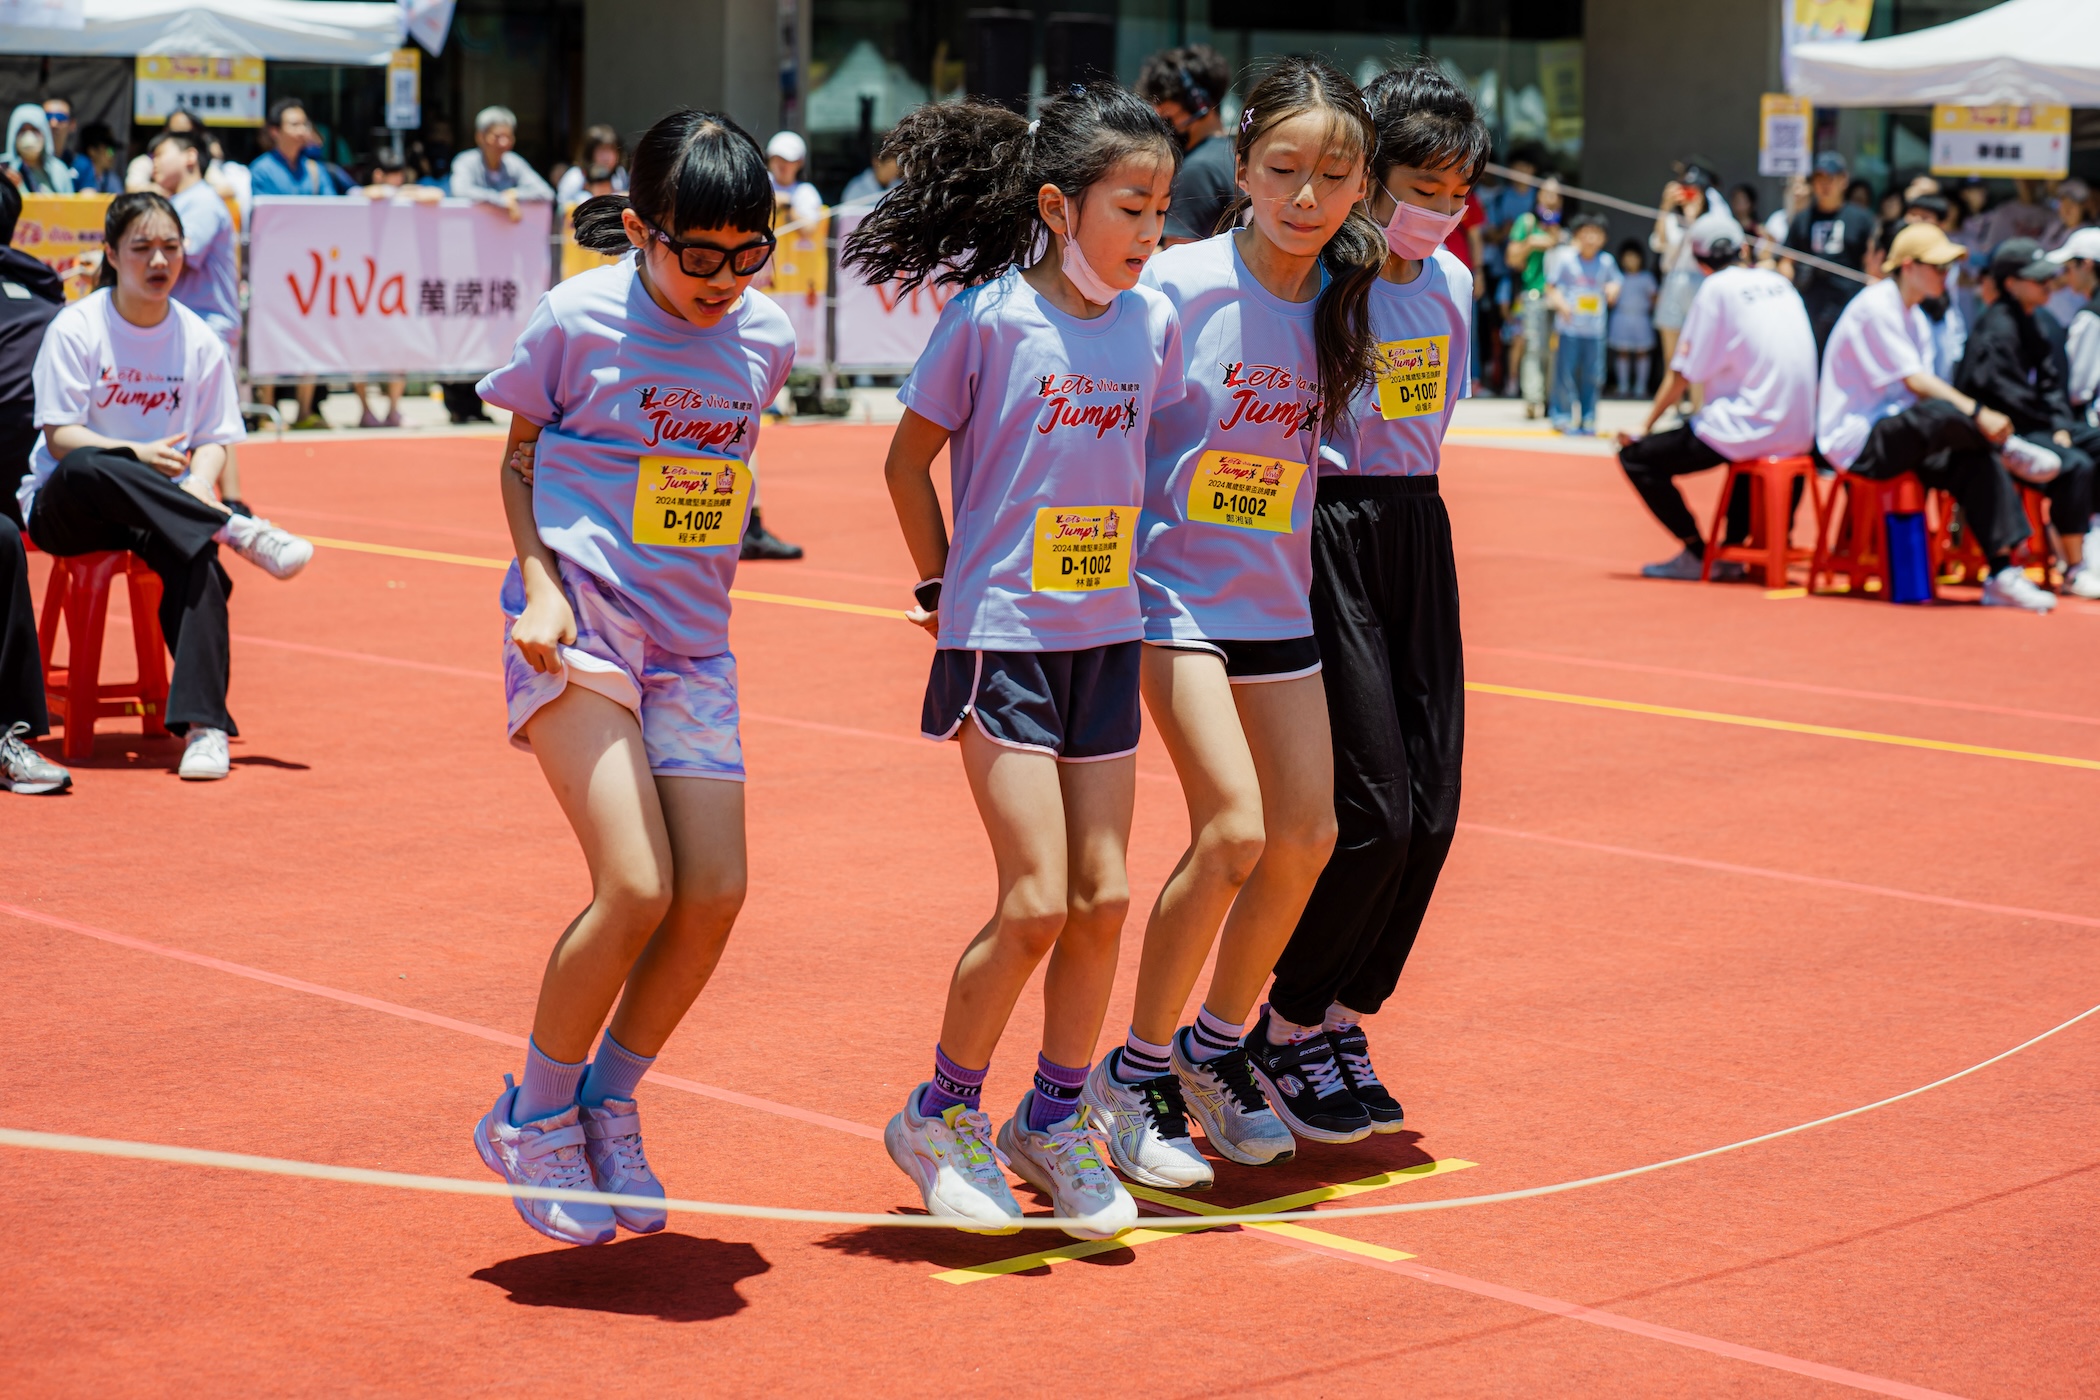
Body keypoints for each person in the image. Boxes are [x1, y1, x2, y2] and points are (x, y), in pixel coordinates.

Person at [840, 84, 1185, 1238]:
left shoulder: (1153, 324)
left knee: (1107, 897)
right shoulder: (990, 320)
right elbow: (905, 464)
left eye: (1162, 209)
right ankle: (939, 1110)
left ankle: (1057, 1113)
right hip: (1004, 639)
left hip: (1108, 635)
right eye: (1131, 206)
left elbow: (1164, 459)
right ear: (1058, 203)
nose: (1149, 231)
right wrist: (943, 590)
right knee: (1037, 899)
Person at [469, 110, 794, 1247]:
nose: (721, 277)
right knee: (637, 885)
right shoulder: (577, 316)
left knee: (714, 894)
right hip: (580, 628)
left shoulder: (770, 337)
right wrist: (539, 582)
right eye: (695, 252)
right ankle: (534, 1112)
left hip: (694, 645)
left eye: (746, 250)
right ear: (645, 231)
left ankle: (609, 1101)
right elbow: (516, 458)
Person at [1088, 56, 1373, 1183]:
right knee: (1234, 831)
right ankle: (1135, 1071)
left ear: (1361, 187)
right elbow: (1102, 420)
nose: (1308, 195)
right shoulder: (1177, 283)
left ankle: (1216, 1048)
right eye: (1285, 170)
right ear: (1243, 167)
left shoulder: (1348, 297)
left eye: (1333, 175)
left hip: (1274, 596)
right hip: (1170, 593)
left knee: (1309, 835)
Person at [1250, 58, 1485, 1149]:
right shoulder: (1322, 281)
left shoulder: (1457, 286)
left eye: (1456, 192)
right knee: (1373, 808)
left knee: (1432, 814)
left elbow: (1442, 408)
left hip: (1418, 527)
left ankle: (1345, 1016)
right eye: (1418, 187)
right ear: (1370, 177)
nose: (1436, 211)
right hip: (1328, 531)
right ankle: (1283, 1024)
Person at [22, 193, 314, 780]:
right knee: (88, 464)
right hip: (68, 507)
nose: (159, 261)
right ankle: (233, 526)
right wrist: (132, 452)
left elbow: (212, 438)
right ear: (110, 253)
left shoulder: (199, 339)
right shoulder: (77, 326)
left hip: (160, 510)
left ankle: (206, 730)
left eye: (171, 248)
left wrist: (203, 481)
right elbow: (60, 438)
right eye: (142, 248)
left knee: (198, 560)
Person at [1816, 222, 2055, 613]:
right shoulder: (1877, 306)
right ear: (1908, 266)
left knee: (1973, 461)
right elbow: (1917, 383)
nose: (1947, 276)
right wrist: (1978, 414)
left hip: (1905, 431)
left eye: (1949, 268)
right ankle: (2005, 443)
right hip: (1858, 441)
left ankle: (2002, 572)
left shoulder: (1918, 317)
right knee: (1945, 413)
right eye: (1939, 267)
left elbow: (1922, 393)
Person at [1616, 211, 1817, 581]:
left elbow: (1683, 372)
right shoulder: (1779, 283)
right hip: (1802, 431)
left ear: (1700, 261)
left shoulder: (1716, 288)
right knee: (1738, 434)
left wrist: (1644, 426)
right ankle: (1735, 546)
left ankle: (1698, 552)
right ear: (1742, 248)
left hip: (1754, 428)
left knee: (1637, 459)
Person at [1954, 237, 2100, 598]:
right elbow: (2006, 396)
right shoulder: (1996, 328)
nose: (2048, 285)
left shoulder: (2039, 320)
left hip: (2040, 423)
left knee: (2094, 444)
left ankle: (2089, 531)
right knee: (2075, 465)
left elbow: (2054, 383)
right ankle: (2074, 565)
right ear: (2011, 283)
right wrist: (2054, 430)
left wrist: (2062, 426)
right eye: (2038, 280)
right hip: (2005, 432)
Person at [0, 181, 69, 794]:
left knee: (1, 541)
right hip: (29, 491)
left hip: (28, 492)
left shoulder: (46, 298)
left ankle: (7, 733)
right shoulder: (48, 289)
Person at [351, 154, 441, 428]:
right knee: (359, 349)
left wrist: (402, 193)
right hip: (362, 284)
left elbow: (436, 194)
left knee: (400, 348)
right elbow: (361, 194)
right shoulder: (359, 194)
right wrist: (389, 193)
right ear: (378, 174)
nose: (399, 180)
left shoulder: (405, 195)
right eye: (394, 174)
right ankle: (365, 409)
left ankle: (393, 409)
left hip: (398, 284)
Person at [1137, 44, 1236, 245]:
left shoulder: (1197, 170)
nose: (1158, 114)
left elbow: (1176, 261)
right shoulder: (1231, 154)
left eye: (1166, 110)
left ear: (1197, 102)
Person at [1781, 151, 1876, 357]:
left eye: (1830, 179)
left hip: (1849, 305)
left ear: (1843, 180)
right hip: (1810, 305)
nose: (1824, 185)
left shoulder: (1861, 218)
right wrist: (1789, 283)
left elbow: (1872, 263)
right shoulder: (1802, 219)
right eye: (1818, 179)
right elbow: (1786, 260)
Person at [1546, 213, 1620, 434]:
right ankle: (1562, 417)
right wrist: (1562, 305)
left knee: (1593, 376)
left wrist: (1614, 289)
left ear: (1603, 238)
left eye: (1595, 233)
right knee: (1565, 374)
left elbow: (1616, 282)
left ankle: (1588, 418)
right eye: (1585, 233)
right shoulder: (1566, 258)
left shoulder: (1606, 261)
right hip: (1569, 328)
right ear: (1577, 236)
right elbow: (1551, 287)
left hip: (1595, 330)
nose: (1590, 238)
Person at [1504, 175, 1563, 417]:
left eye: (1557, 193)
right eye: (1547, 192)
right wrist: (1531, 244)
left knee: (1556, 351)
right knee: (1533, 348)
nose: (1551, 198)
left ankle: (1552, 400)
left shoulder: (1566, 225)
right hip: (1534, 294)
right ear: (1539, 195)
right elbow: (1511, 258)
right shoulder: (1527, 222)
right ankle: (1532, 399)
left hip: (1560, 298)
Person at [1650, 165, 1712, 368]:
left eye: (1694, 189)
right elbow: (1660, 243)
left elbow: (1705, 251)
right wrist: (1665, 205)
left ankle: (1696, 401)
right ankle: (1675, 400)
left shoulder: (1711, 221)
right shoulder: (1670, 219)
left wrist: (1693, 219)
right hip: (1673, 280)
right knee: (1672, 356)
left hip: (1700, 283)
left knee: (1698, 353)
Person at [450, 106, 556, 219]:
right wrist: (500, 200)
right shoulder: (465, 161)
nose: (504, 142)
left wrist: (515, 194)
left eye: (508, 136)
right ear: (480, 137)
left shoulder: (514, 162)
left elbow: (547, 193)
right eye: (497, 137)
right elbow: (460, 191)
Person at [2055, 228, 2100, 433]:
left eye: (2068, 268)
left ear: (2087, 265)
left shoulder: (2091, 317)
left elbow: (2077, 388)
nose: (2065, 276)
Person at [248, 100, 341, 197]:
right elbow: (265, 209)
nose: (302, 131)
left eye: (304, 124)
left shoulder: (315, 169)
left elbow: (329, 206)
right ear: (275, 131)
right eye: (295, 125)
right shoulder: (262, 170)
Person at [1609, 238, 1657, 398]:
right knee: (1622, 352)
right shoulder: (1617, 277)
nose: (1630, 260)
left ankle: (1640, 387)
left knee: (1642, 352)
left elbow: (1654, 298)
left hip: (1641, 318)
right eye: (1627, 257)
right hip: (1621, 317)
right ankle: (1623, 386)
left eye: (1634, 257)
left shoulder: (1646, 277)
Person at [3, 105, 75, 193]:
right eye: (22, 130)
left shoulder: (59, 171)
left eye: (34, 130)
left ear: (44, 133)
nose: (28, 137)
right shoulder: (3, 169)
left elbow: (68, 204)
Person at [761, 131, 822, 226]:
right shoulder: (759, 182)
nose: (781, 165)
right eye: (777, 159)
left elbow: (810, 228)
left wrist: (788, 207)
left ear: (799, 163)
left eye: (787, 160)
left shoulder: (806, 191)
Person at [555, 124, 628, 205]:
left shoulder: (620, 175)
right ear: (589, 154)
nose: (607, 158)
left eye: (611, 150)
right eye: (602, 151)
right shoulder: (576, 176)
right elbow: (562, 208)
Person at [2041, 177, 2093, 252]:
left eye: (2072, 204)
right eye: (2063, 203)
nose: (2067, 209)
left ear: (2083, 207)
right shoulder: (2054, 226)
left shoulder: (2088, 234)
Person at [72, 121, 123, 195]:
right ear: (92, 150)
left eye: (114, 150)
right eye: (110, 150)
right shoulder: (81, 163)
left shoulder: (111, 178)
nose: (112, 155)